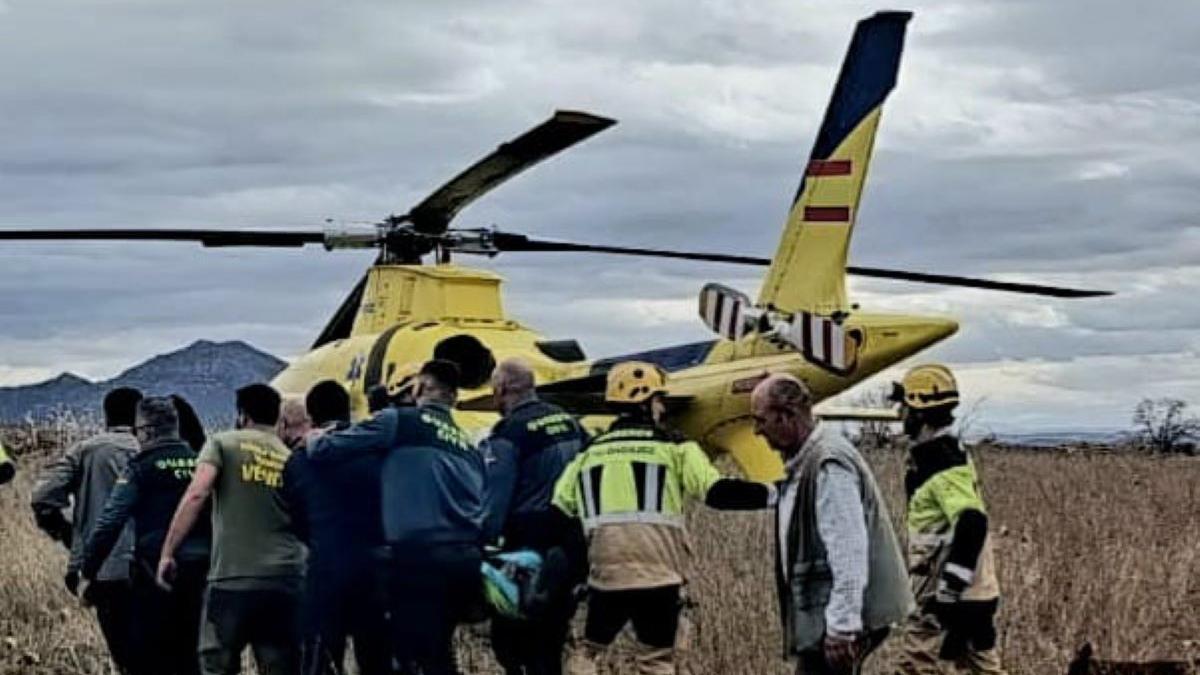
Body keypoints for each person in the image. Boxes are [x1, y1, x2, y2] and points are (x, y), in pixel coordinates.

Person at [553, 361, 776, 675]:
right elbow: (718, 494)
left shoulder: (587, 454)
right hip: (659, 578)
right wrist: (776, 493)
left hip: (606, 576)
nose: (662, 407)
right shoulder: (675, 447)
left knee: (588, 654)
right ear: (647, 403)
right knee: (656, 661)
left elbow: (559, 511)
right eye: (659, 399)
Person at [307, 360, 485, 675]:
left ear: (421, 387)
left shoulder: (399, 422)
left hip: (419, 560)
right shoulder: (468, 445)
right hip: (467, 561)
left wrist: (314, 436)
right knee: (439, 654)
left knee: (409, 656)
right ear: (454, 397)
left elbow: (324, 450)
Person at [750, 374, 912, 675]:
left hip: (840, 619)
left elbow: (849, 550)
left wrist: (842, 627)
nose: (756, 431)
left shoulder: (829, 465)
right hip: (830, 615)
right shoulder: (807, 460)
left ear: (787, 416)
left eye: (761, 420)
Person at [158, 383, 306, 675]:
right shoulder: (290, 457)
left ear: (242, 415)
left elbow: (197, 494)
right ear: (278, 418)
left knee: (216, 664)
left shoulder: (222, 444)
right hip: (286, 578)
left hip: (232, 578)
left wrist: (167, 552)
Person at [81, 396, 212, 675]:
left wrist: (89, 570)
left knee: (153, 657)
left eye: (138, 431)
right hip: (204, 572)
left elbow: (110, 520)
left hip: (156, 573)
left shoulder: (140, 466)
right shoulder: (202, 463)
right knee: (194, 656)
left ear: (147, 431)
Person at [890, 365, 1007, 675]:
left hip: (945, 594)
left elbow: (972, 522)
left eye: (904, 407)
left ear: (919, 413)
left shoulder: (941, 463)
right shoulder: (943, 455)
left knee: (915, 667)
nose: (900, 414)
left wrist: (949, 589)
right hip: (974, 590)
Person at [483, 358, 589, 675]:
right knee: (551, 636)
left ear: (501, 389)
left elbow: (495, 498)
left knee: (511, 640)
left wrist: (485, 543)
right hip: (571, 540)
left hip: (526, 543)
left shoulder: (509, 433)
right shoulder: (570, 422)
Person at [31, 386, 143, 673]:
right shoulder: (154, 451)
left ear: (106, 416)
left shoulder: (85, 450)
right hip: (154, 565)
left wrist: (66, 533)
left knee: (123, 654)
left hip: (104, 569)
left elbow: (43, 495)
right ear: (140, 417)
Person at [283, 381, 390, 675]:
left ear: (312, 417)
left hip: (326, 566)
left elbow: (295, 519)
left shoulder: (299, 461)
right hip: (376, 567)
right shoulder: (376, 452)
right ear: (348, 411)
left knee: (321, 659)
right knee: (378, 659)